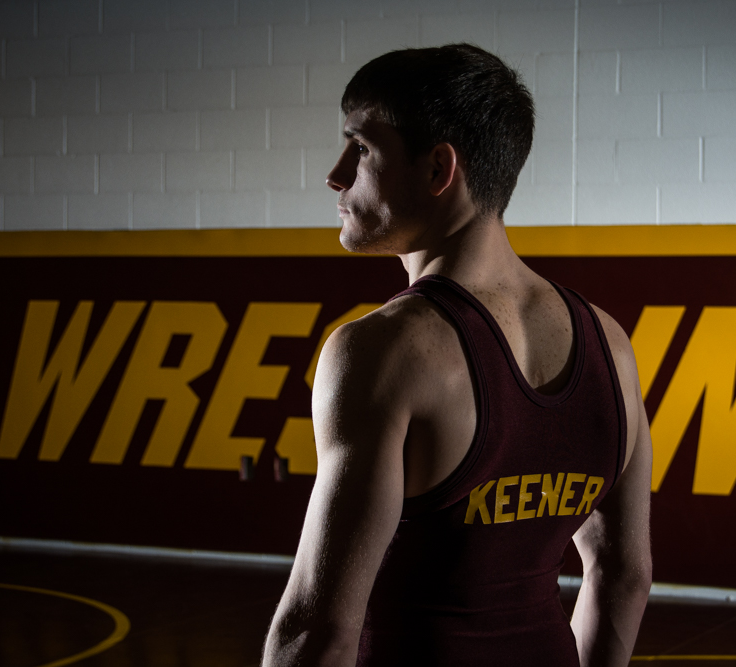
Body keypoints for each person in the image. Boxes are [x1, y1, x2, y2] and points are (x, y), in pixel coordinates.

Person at [261, 44, 652, 667]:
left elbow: (318, 627)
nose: (336, 175)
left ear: (439, 168)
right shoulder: (610, 343)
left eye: (361, 149)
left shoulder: (381, 351)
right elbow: (624, 575)